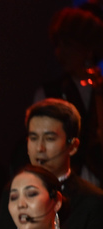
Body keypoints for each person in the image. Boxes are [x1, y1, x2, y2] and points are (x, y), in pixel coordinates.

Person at [0, 99, 103, 229]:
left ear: (73, 146)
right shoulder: (12, 192)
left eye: (50, 138)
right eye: (33, 138)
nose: (40, 148)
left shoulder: (92, 201)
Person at [35, 6, 103, 186]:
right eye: (58, 45)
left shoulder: (98, 90)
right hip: (66, 188)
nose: (60, 52)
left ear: (87, 48)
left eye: (68, 45)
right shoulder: (49, 94)